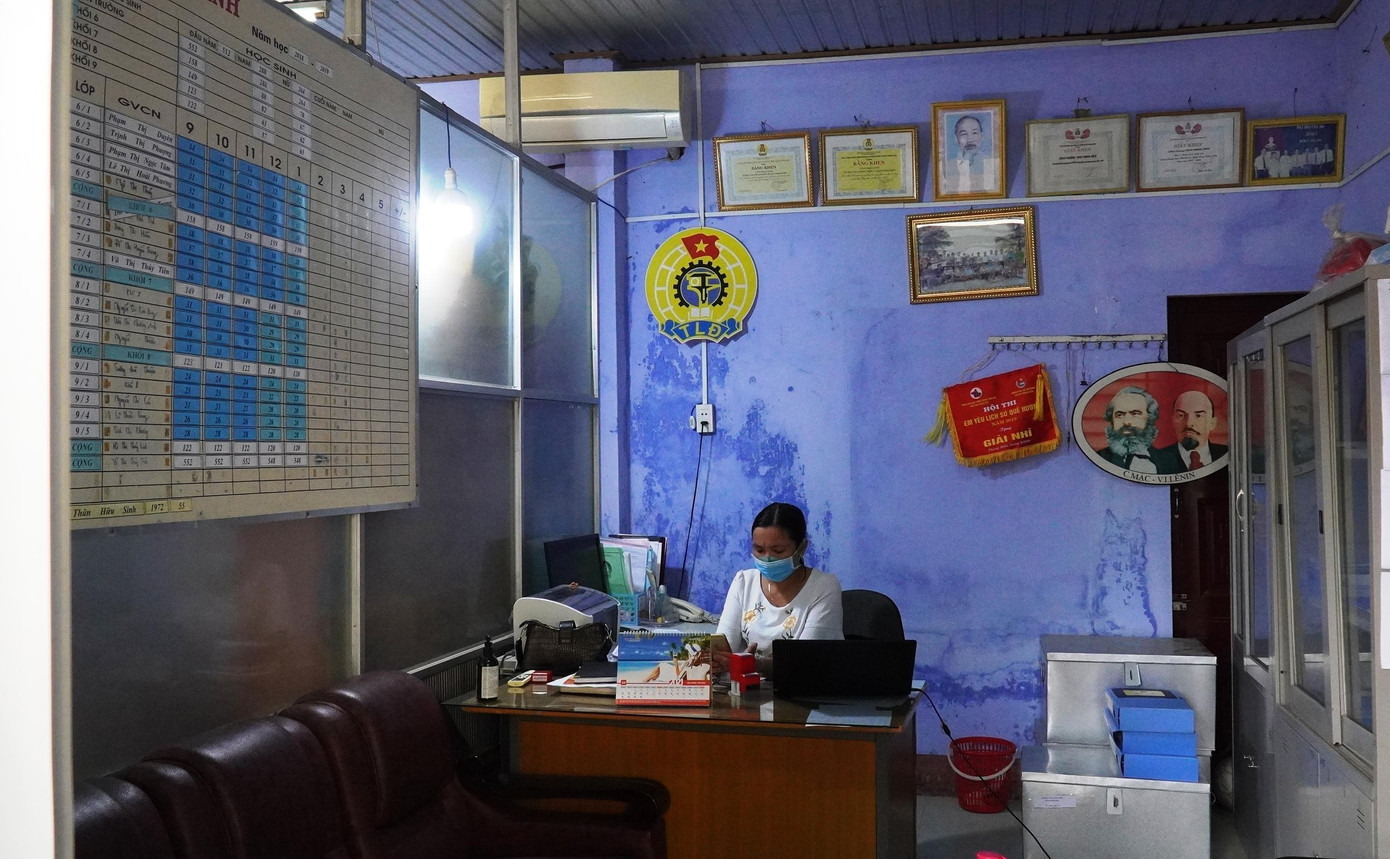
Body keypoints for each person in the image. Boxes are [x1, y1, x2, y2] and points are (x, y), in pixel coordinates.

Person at [714, 502, 842, 679]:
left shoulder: (823, 586)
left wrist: (756, 664)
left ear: (802, 547)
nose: (767, 558)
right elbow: (722, 647)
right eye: (759, 549)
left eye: (778, 550)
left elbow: (806, 662)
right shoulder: (743, 582)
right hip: (750, 689)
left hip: (802, 690)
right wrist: (715, 661)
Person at [1094, 386, 1180, 474]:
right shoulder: (1098, 459)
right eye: (1119, 415)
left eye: (1135, 413)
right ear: (1112, 421)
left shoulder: (1168, 461)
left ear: (1149, 418)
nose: (1126, 422)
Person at [1154, 390, 1227, 472]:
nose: (1188, 423)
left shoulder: (1227, 454)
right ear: (1173, 421)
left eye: (1198, 415)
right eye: (1181, 415)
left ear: (1212, 423)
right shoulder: (1156, 460)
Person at [942, 114, 998, 195]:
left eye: (974, 133)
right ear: (956, 139)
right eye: (964, 134)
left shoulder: (993, 165)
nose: (970, 139)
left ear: (982, 137)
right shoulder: (947, 167)